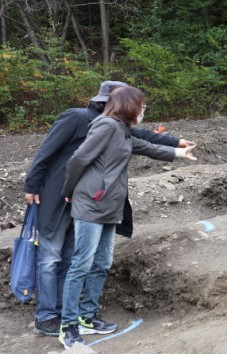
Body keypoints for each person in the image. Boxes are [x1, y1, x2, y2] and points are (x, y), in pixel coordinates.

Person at [23, 81, 195, 337]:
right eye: (138, 105)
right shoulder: (79, 118)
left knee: (72, 258)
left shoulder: (118, 127)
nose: (141, 109)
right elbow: (49, 154)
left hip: (87, 198)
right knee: (51, 258)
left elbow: (144, 140)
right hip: (59, 195)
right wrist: (32, 184)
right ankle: (48, 316)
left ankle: (66, 314)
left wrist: (176, 146)